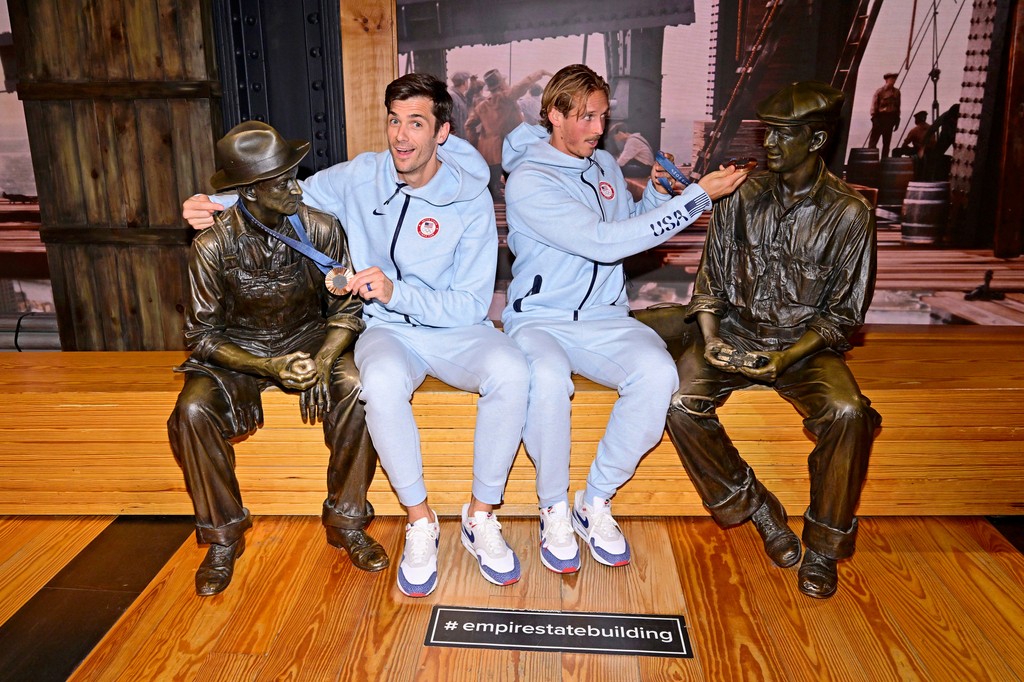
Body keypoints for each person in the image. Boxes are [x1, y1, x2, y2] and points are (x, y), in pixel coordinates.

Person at [182, 74, 530, 598]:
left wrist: (396, 291)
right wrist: (209, 203)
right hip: (386, 330)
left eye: (417, 123)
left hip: (455, 329)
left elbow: (470, 304)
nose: (401, 136)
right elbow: (283, 196)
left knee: (512, 369)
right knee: (379, 382)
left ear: (442, 132)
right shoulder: (361, 175)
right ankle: (420, 520)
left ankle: (481, 515)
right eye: (394, 120)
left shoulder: (471, 201)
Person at [500, 64, 749, 574]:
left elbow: (628, 232)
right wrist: (697, 197)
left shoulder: (606, 167)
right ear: (554, 115)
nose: (598, 127)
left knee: (658, 375)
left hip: (603, 318)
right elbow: (599, 240)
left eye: (602, 115)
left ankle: (594, 502)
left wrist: (658, 195)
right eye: (586, 116)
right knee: (545, 378)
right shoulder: (529, 178)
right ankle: (553, 507)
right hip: (540, 320)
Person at [663, 81, 881, 599]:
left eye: (785, 134)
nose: (771, 145)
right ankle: (756, 506)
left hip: (804, 347)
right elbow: (711, 282)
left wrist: (786, 356)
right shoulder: (741, 195)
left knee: (848, 413)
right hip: (735, 332)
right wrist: (711, 339)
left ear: (817, 139)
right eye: (768, 134)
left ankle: (826, 546)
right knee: (679, 403)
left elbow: (842, 317)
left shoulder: (849, 214)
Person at [168, 121, 388, 596]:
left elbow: (346, 307)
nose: (295, 186)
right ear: (248, 191)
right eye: (282, 181)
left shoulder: (323, 229)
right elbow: (202, 335)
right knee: (191, 410)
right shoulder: (212, 246)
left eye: (293, 175)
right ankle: (223, 535)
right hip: (238, 351)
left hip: (309, 339)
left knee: (358, 387)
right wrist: (268, 367)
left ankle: (347, 521)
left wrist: (326, 358)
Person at [464, 68, 549, 200]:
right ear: (501, 84)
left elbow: (468, 125)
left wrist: (477, 144)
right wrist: (538, 74)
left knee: (493, 194)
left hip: (490, 154)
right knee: (516, 189)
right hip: (511, 150)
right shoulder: (507, 98)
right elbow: (521, 85)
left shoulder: (481, 106)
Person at [869, 72, 901, 158]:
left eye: (894, 79)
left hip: (890, 119)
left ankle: (884, 161)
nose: (893, 81)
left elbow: (898, 106)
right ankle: (871, 160)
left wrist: (897, 119)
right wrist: (874, 118)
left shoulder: (897, 92)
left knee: (886, 143)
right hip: (880, 118)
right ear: (886, 80)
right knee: (873, 142)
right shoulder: (880, 92)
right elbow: (874, 105)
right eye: (891, 79)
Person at [448, 71, 472, 137]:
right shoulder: (453, 97)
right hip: (456, 141)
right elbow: (452, 123)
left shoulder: (459, 97)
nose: (468, 83)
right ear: (464, 83)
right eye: (467, 81)